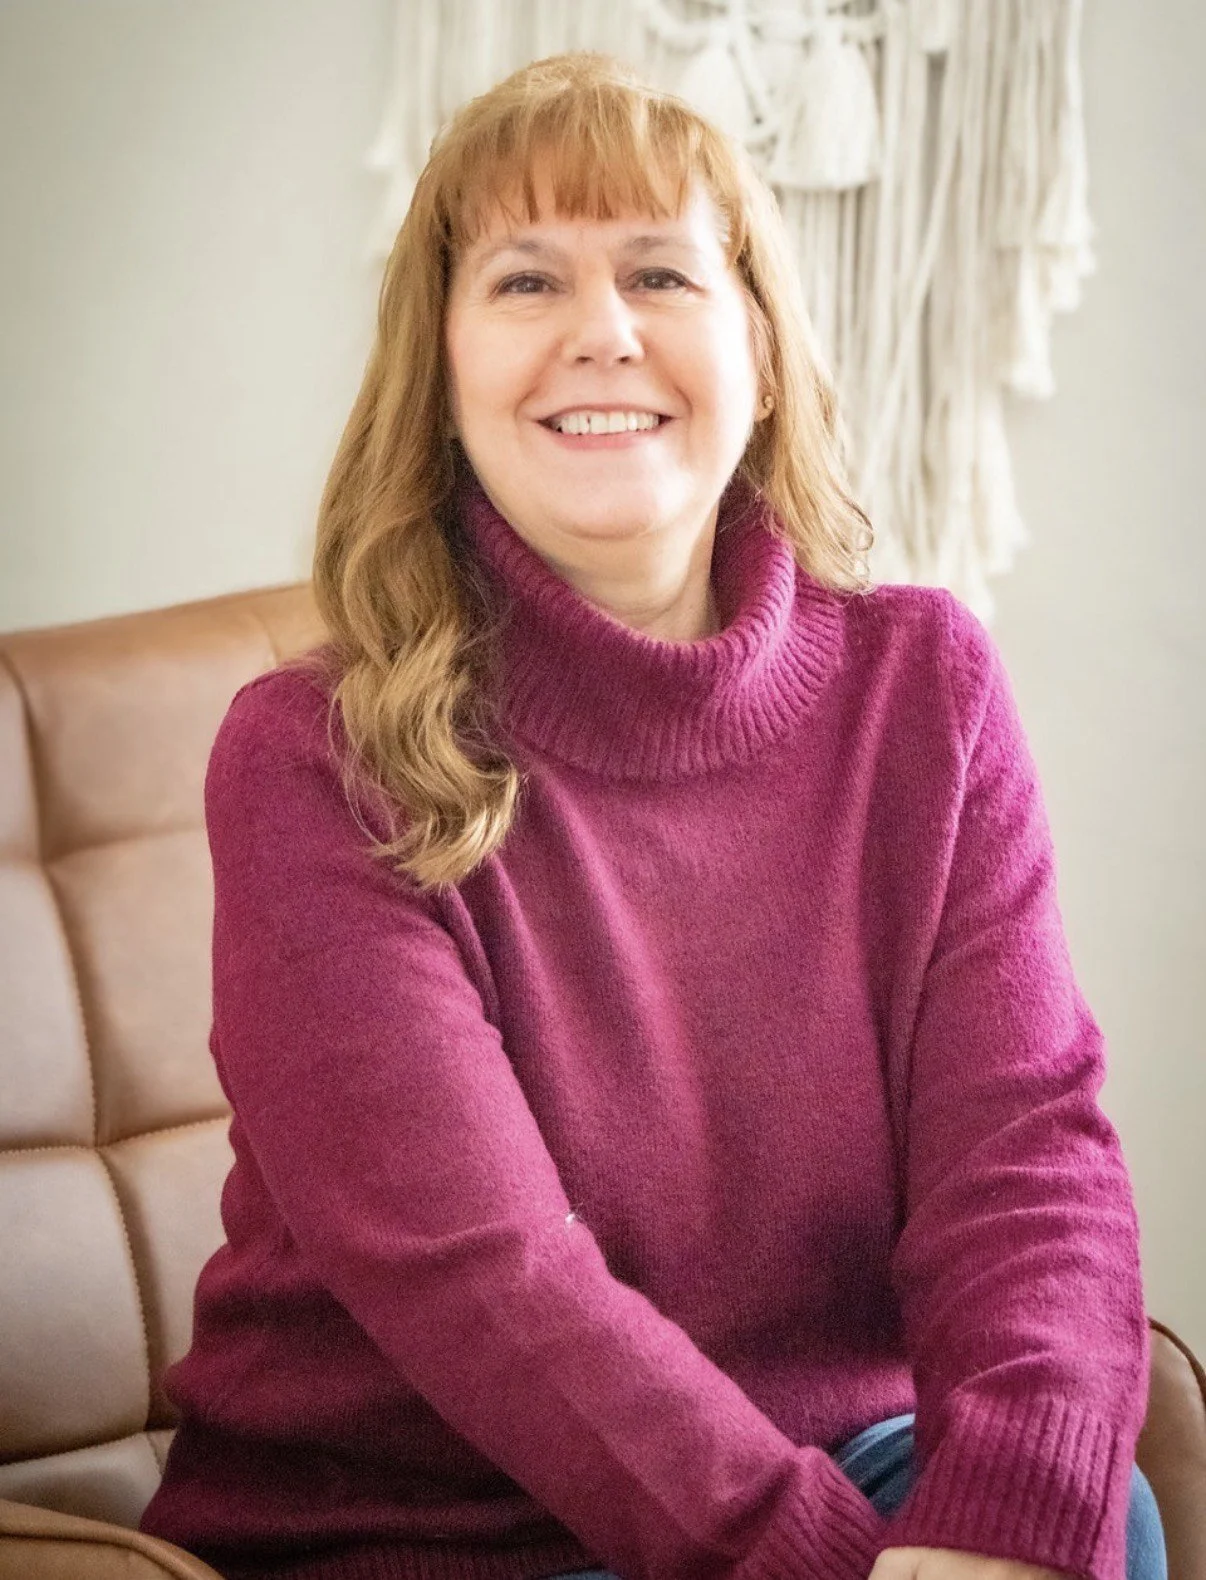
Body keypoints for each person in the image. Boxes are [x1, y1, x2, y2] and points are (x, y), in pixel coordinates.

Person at [139, 50, 1166, 1580]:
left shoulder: (924, 688)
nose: (601, 332)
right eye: (525, 282)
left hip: (834, 1457)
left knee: (1101, 1517)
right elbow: (487, 1281)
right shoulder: (314, 758)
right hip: (426, 1533)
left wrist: (1007, 1519)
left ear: (759, 347)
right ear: (440, 374)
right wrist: (820, 1565)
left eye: (661, 274)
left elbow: (1023, 1158)